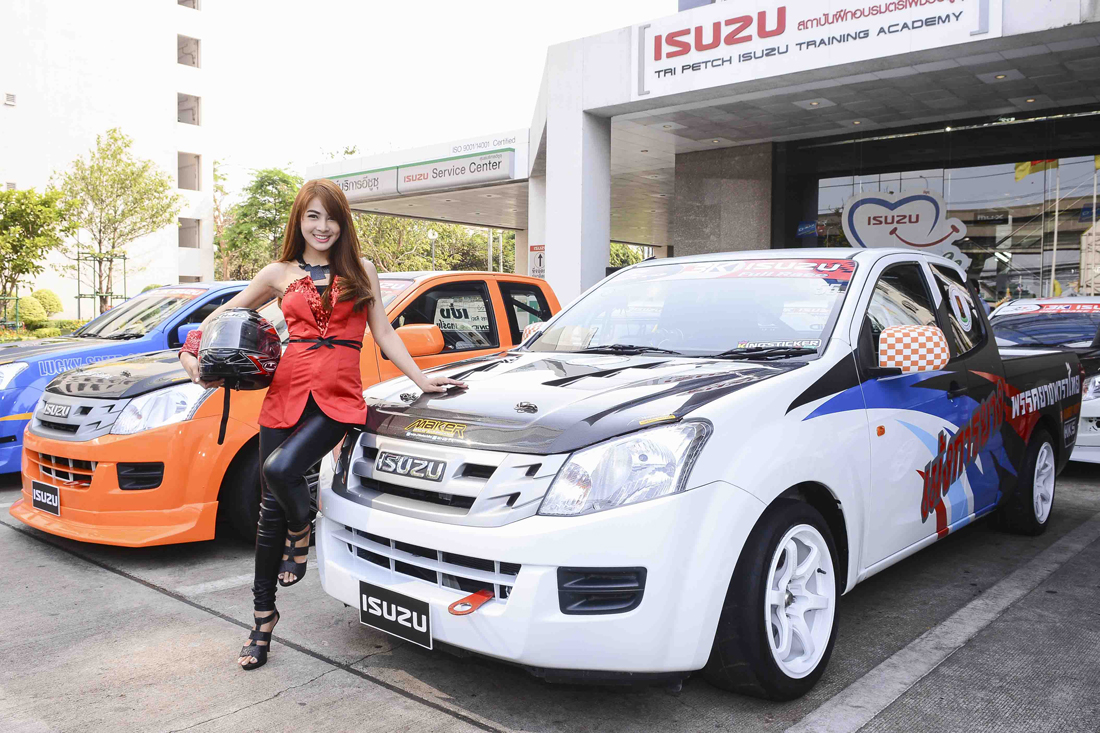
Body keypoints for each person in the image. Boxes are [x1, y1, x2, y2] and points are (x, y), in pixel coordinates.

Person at [179, 179, 465, 670]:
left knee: (280, 471)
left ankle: (303, 525)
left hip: (338, 399)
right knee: (269, 509)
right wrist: (191, 353)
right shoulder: (278, 273)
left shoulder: (362, 270)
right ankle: (262, 620)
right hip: (285, 392)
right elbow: (223, 315)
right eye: (313, 216)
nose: (323, 226)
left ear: (342, 222)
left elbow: (384, 333)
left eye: (331, 216)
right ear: (299, 220)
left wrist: (423, 380)